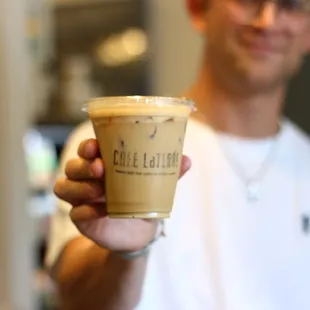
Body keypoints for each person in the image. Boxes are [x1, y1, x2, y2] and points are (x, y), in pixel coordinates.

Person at [46, 0, 310, 309]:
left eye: (291, 5)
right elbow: (77, 301)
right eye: (248, 0)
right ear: (199, 10)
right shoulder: (111, 139)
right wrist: (126, 254)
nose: (267, 21)